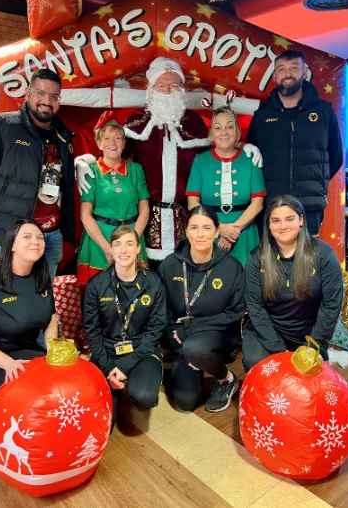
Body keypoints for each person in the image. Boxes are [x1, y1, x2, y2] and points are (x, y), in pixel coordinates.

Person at [76, 56, 262, 263]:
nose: (167, 90)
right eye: (161, 85)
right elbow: (113, 152)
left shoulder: (193, 123)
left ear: (182, 89)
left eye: (174, 85)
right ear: (151, 88)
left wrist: (244, 147)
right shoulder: (136, 122)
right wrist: (85, 160)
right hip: (145, 217)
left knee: (185, 270)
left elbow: (220, 148)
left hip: (186, 215)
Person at [0, 68, 75, 278]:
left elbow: (66, 186)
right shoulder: (3, 127)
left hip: (50, 235)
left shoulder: (64, 135)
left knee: (44, 292)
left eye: (54, 96)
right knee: (12, 292)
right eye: (40, 93)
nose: (47, 101)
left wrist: (66, 230)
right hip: (12, 233)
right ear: (28, 94)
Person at [158, 205, 244, 413]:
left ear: (216, 232)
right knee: (185, 402)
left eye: (207, 228)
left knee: (195, 348)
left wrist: (193, 331)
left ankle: (226, 379)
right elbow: (162, 309)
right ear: (186, 231)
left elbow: (235, 312)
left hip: (215, 335)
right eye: (194, 227)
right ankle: (185, 361)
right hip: (180, 337)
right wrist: (174, 335)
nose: (200, 234)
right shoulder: (170, 265)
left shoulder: (231, 267)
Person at [247, 49, 343, 235]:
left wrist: (313, 183)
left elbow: (336, 156)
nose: (287, 73)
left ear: (304, 72)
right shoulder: (262, 115)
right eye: (281, 69)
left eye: (293, 68)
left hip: (309, 208)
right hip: (271, 206)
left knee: (307, 254)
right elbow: (252, 157)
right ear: (275, 76)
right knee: (270, 254)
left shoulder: (323, 111)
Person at [242, 195, 343, 370]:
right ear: (268, 225)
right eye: (276, 220)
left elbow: (331, 304)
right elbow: (255, 306)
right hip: (267, 332)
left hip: (309, 334)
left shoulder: (323, 254)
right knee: (261, 366)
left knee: (306, 376)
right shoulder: (256, 257)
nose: (283, 226)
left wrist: (314, 344)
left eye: (289, 219)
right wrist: (278, 350)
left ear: (301, 220)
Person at [83, 225, 166, 423]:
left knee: (144, 397)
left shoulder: (153, 283)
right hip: (107, 352)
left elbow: (156, 328)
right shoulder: (96, 285)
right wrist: (108, 367)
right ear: (111, 249)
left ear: (138, 248)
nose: (124, 249)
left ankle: (134, 381)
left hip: (142, 350)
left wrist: (124, 367)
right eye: (118, 244)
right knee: (99, 416)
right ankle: (116, 387)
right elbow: (92, 331)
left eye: (130, 244)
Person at [0, 220, 58, 397]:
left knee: (56, 382)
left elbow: (51, 320)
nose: (35, 241)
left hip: (26, 349)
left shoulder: (42, 277)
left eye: (40, 237)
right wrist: (9, 364)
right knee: (27, 391)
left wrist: (53, 353)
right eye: (27, 237)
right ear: (12, 245)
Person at [186, 106, 266, 266]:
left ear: (237, 132)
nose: (224, 132)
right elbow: (192, 203)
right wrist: (220, 229)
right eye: (218, 128)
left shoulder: (251, 159)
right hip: (209, 233)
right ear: (211, 133)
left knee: (247, 277)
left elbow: (258, 203)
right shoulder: (200, 161)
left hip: (245, 234)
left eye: (230, 127)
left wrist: (234, 231)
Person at [77, 113, 150, 286]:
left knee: (134, 290)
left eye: (118, 138)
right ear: (99, 143)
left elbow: (144, 210)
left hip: (132, 234)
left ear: (124, 143)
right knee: (101, 293)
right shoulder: (91, 171)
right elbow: (85, 215)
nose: (113, 143)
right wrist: (107, 248)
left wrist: (132, 242)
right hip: (100, 239)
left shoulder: (136, 170)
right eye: (107, 138)